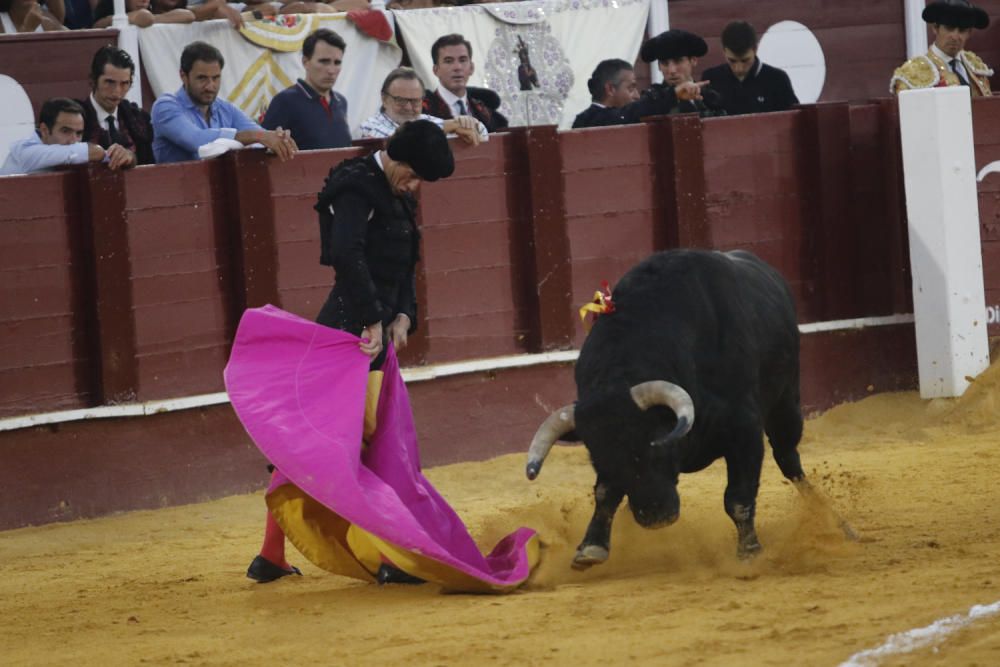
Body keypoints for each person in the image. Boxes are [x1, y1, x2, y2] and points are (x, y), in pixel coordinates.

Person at [246, 119, 455, 584]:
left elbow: (405, 258)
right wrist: (373, 318)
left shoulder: (395, 190)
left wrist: (404, 314)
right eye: (415, 175)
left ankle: (271, 554)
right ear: (398, 160)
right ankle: (384, 557)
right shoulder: (355, 186)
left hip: (371, 330)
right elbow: (346, 255)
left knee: (342, 440)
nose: (415, 186)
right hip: (349, 331)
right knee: (356, 442)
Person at [151, 41, 298, 164]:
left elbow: (260, 136)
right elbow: (197, 141)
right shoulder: (165, 106)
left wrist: (278, 140)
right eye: (202, 78)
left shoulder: (225, 109)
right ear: (183, 75)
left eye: (215, 78)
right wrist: (260, 137)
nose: (210, 86)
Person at [261, 28, 351, 151]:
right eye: (324, 61)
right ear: (305, 62)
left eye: (337, 63)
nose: (331, 70)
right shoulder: (285, 101)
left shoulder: (341, 102)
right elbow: (263, 152)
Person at [1, 97, 133, 176]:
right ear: (44, 130)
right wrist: (104, 153)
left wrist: (125, 156)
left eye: (79, 133)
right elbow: (90, 152)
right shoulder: (25, 153)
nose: (73, 141)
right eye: (65, 131)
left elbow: (109, 156)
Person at [360, 67, 486, 146]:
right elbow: (400, 141)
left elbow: (483, 133)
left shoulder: (426, 120)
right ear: (384, 99)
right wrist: (451, 126)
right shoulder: (370, 126)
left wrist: (470, 124)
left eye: (415, 101)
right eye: (401, 100)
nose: (409, 108)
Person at [571, 58, 710, 129]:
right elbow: (630, 112)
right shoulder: (591, 120)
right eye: (630, 88)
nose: (637, 95)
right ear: (610, 89)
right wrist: (673, 94)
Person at [891, 0, 992, 96]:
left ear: (969, 33)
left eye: (962, 30)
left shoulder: (976, 67)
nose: (955, 36)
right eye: (949, 28)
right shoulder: (912, 73)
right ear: (935, 28)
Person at [701, 21, 799, 115]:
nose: (739, 68)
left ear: (755, 49)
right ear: (724, 51)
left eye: (745, 60)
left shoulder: (777, 79)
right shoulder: (711, 79)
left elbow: (795, 120)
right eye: (732, 60)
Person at [78, 46, 154, 167]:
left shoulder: (139, 118)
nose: (117, 91)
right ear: (93, 80)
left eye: (124, 83)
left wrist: (131, 157)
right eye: (109, 82)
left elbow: (150, 165)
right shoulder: (75, 116)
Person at [422, 33, 509, 133]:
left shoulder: (486, 113)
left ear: (471, 68)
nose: (457, 67)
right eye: (449, 61)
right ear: (436, 70)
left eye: (463, 60)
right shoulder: (424, 110)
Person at [639, 28, 726, 118]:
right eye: (665, 63)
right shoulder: (652, 98)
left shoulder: (710, 96)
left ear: (693, 60)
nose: (672, 70)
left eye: (678, 61)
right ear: (659, 66)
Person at [91, 0, 193, 27]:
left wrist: (154, 19)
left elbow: (189, 15)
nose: (144, 0)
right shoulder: (106, 19)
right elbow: (97, 26)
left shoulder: (150, 13)